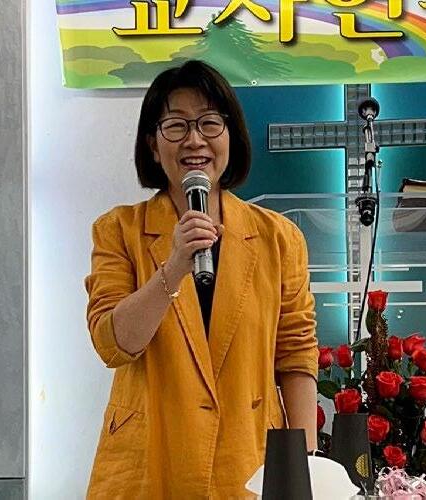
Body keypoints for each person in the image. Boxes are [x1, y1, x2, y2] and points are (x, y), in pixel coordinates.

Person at [84, 60, 318, 498]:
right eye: (176, 126)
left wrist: (304, 463)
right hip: (150, 462)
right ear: (153, 145)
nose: (195, 140)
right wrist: (174, 265)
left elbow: (296, 354)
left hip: (248, 460)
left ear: (231, 136)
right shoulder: (118, 230)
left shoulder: (279, 238)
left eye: (210, 123)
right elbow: (113, 344)